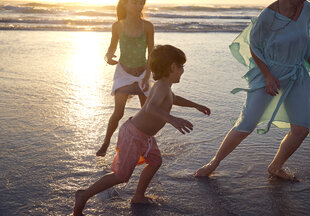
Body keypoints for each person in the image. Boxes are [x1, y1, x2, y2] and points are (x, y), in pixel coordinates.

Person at [195, 0, 310, 180]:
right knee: (247, 124)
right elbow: (255, 47)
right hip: (268, 74)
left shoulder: (306, 9)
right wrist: (268, 76)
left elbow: (305, 42)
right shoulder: (267, 17)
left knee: (301, 128)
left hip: (297, 75)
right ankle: (213, 163)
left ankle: (275, 166)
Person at [73, 45, 211, 215]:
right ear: (173, 67)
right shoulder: (160, 86)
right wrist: (172, 119)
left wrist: (195, 105)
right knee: (121, 176)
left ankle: (138, 195)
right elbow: (151, 108)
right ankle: (83, 195)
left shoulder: (165, 87)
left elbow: (174, 99)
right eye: (181, 67)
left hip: (145, 137)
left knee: (155, 162)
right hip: (133, 135)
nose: (182, 71)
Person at [96, 0, 155, 157]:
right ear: (125, 4)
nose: (138, 6)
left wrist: (148, 76)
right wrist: (108, 57)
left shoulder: (148, 27)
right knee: (118, 113)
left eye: (141, 3)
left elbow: (151, 53)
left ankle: (147, 145)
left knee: (147, 113)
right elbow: (110, 49)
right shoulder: (117, 26)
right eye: (134, 2)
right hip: (124, 74)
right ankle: (106, 142)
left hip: (143, 73)